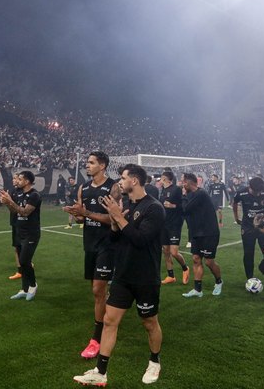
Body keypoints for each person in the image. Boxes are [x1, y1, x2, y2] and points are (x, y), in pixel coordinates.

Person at [73, 164, 164, 386]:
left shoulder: (154, 208)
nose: (119, 182)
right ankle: (100, 372)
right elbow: (116, 240)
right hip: (123, 276)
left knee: (149, 322)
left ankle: (154, 362)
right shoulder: (128, 207)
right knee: (109, 321)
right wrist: (114, 224)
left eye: (123, 178)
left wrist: (117, 217)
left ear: (134, 180)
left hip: (145, 278)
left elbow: (140, 240)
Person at [62, 151, 119, 360]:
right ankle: (109, 313)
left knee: (97, 289)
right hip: (90, 244)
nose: (87, 165)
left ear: (102, 166)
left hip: (108, 244)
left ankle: (96, 338)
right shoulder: (83, 188)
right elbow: (81, 220)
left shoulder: (112, 187)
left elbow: (115, 219)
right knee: (97, 293)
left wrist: (85, 214)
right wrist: (76, 214)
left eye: (91, 162)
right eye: (87, 162)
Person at [0, 170, 42, 301]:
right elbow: (14, 211)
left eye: (20, 179)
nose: (17, 181)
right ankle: (24, 289)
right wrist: (7, 202)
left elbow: (24, 212)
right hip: (19, 231)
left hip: (31, 233)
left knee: (24, 261)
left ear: (27, 181)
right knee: (22, 263)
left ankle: (33, 285)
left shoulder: (34, 195)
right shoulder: (19, 194)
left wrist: (10, 201)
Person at [180, 173, 223, 298]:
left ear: (188, 183)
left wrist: (183, 196)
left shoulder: (200, 194)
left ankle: (219, 282)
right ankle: (198, 290)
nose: (182, 185)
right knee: (196, 259)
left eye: (183, 182)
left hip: (209, 233)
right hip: (196, 232)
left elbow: (185, 209)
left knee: (209, 262)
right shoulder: (192, 194)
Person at [158, 170, 189, 285]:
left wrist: (173, 205)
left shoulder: (176, 189)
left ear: (165, 178)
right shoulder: (162, 191)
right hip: (164, 224)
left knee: (174, 252)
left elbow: (184, 205)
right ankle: (171, 276)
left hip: (174, 224)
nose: (160, 180)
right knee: (165, 251)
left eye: (161, 178)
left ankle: (185, 268)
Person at [7, 173, 23, 280]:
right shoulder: (12, 191)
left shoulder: (26, 192)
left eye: (16, 178)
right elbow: (12, 209)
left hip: (24, 224)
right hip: (15, 222)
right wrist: (6, 202)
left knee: (23, 247)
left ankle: (23, 267)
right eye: (13, 178)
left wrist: (10, 201)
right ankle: (20, 270)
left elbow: (23, 210)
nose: (14, 180)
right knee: (17, 247)